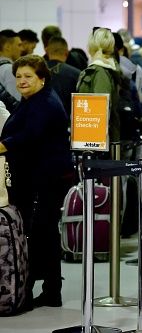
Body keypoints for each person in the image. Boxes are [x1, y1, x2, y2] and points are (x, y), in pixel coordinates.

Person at [0, 55, 74, 308]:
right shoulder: (33, 100)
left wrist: (3, 146)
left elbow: (28, 136)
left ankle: (43, 288)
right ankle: (45, 288)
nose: (22, 81)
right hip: (40, 176)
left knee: (41, 233)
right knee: (42, 232)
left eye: (28, 76)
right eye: (18, 76)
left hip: (45, 178)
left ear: (42, 78)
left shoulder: (43, 104)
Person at [77, 28, 122, 142]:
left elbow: (100, 113)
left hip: (96, 141)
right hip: (96, 139)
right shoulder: (105, 68)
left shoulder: (99, 71)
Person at [46, 36, 80, 120]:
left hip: (37, 124)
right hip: (65, 125)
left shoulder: (34, 71)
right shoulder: (77, 74)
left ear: (47, 51)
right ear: (67, 53)